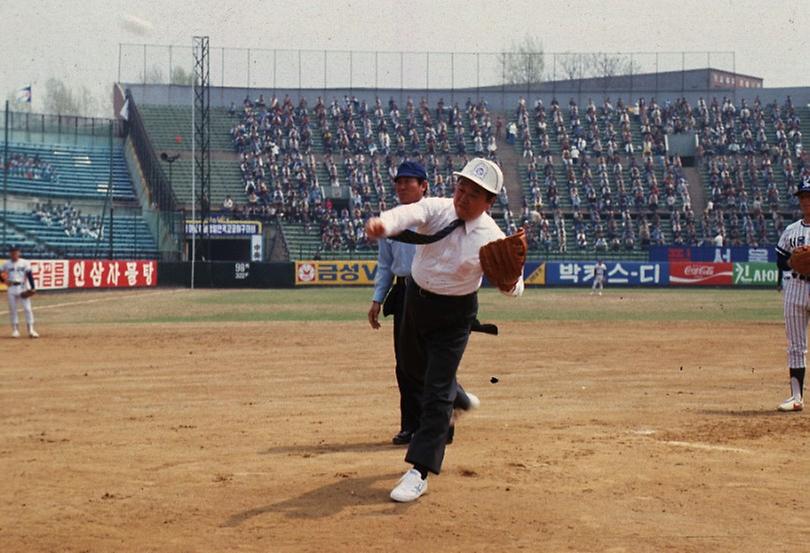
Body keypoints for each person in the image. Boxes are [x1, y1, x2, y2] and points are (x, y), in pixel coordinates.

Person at [365, 157, 524, 502]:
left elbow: (515, 284)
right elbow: (409, 214)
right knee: (412, 369)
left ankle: (419, 471)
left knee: (435, 394)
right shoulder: (438, 209)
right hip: (416, 302)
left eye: (473, 194)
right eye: (460, 188)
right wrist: (384, 223)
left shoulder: (491, 238)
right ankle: (460, 397)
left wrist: (511, 283)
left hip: (454, 315)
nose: (463, 197)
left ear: (489, 202)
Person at [368, 161, 428, 445]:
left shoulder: (435, 216)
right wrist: (377, 299)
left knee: (431, 361)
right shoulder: (388, 221)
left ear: (423, 186)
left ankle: (440, 421)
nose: (402, 186)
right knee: (404, 363)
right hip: (404, 292)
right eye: (399, 181)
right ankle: (410, 425)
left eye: (409, 181)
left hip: (433, 293)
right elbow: (385, 265)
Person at [775, 177, 810, 411]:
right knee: (796, 345)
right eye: (803, 198)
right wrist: (794, 261)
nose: (806, 202)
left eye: (809, 198)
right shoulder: (791, 230)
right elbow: (780, 260)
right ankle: (796, 397)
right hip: (796, 287)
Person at [0, 245, 39, 338]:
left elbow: (29, 275)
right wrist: (4, 281)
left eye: (16, 252)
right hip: (11, 288)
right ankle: (15, 330)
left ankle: (31, 330)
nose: (14, 254)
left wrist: (33, 287)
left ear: (19, 252)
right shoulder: (6, 264)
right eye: (12, 252)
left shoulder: (25, 262)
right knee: (13, 309)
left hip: (22, 287)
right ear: (10, 253)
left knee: (27, 309)